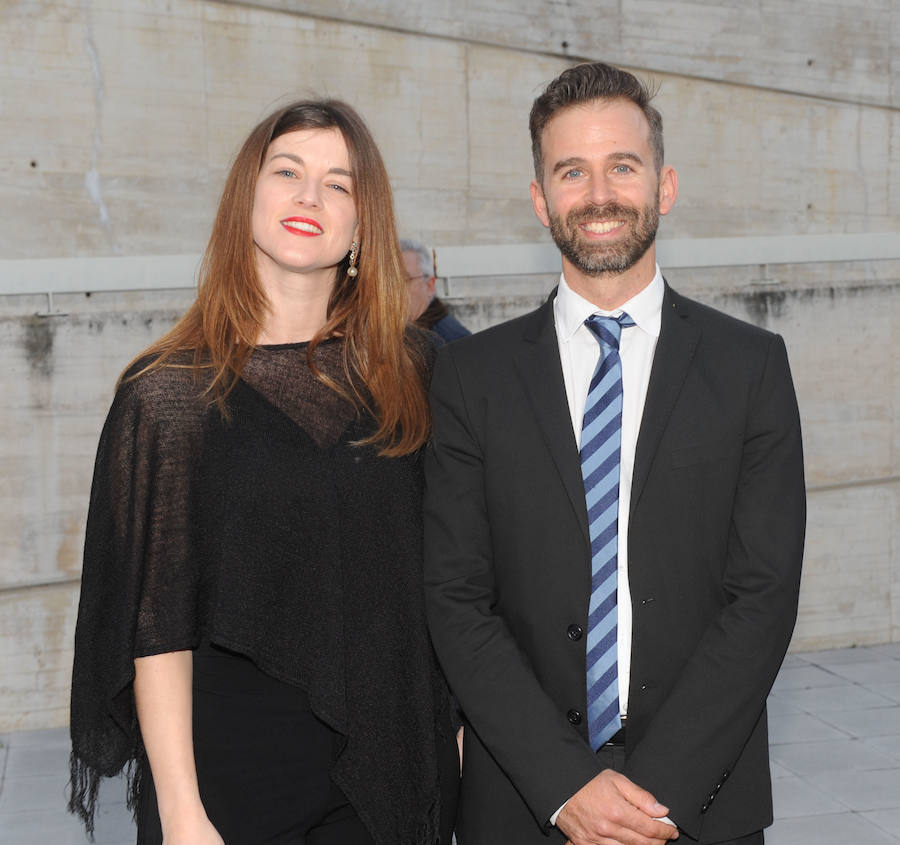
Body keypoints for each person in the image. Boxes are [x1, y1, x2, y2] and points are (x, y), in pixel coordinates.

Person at [424, 62, 805, 845]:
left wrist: (653, 793)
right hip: (525, 797)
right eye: (572, 171)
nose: (599, 194)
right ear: (541, 200)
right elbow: (457, 597)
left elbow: (762, 596)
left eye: (621, 166)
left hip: (699, 800)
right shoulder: (469, 375)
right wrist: (567, 786)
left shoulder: (750, 367)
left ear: (663, 185)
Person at [68, 99, 458, 845]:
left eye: (339, 183)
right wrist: (183, 812)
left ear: (363, 223)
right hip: (230, 782)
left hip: (395, 767)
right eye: (288, 171)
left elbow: (454, 579)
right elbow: (158, 632)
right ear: (245, 196)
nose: (310, 196)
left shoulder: (420, 373)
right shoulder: (169, 395)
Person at [400, 238, 471, 342]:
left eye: (405, 279)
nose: (395, 290)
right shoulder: (392, 334)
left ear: (430, 285)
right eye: (390, 281)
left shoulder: (456, 342)